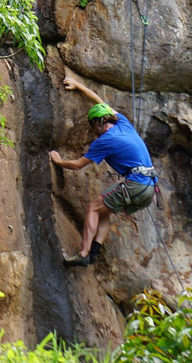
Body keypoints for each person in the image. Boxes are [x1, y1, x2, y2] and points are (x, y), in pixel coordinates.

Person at [49, 74, 156, 267]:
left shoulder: (104, 141)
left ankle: (84, 254)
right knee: (104, 210)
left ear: (98, 124)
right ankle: (94, 253)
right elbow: (100, 101)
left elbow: (78, 165)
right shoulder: (123, 123)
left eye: (92, 127)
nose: (92, 131)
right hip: (148, 188)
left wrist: (59, 161)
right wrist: (79, 85)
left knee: (93, 207)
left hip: (136, 185)